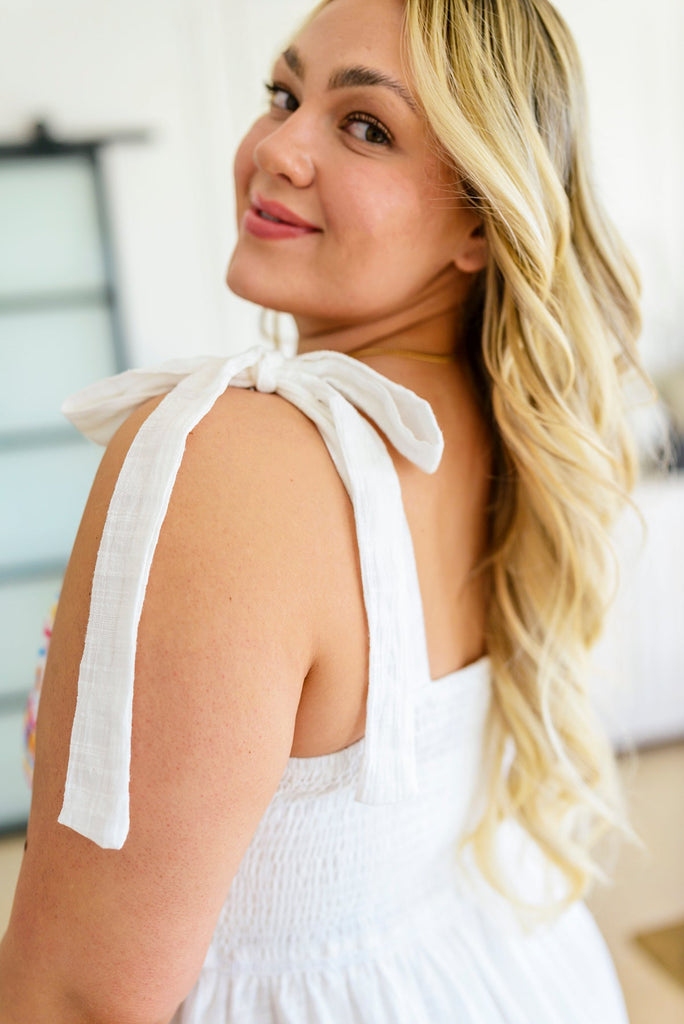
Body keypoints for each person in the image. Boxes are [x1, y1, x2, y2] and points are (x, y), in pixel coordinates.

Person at [0, 0, 645, 1020]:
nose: (275, 148)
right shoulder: (502, 426)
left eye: (366, 127)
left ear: (482, 220)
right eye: (283, 94)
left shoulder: (229, 457)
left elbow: (75, 997)